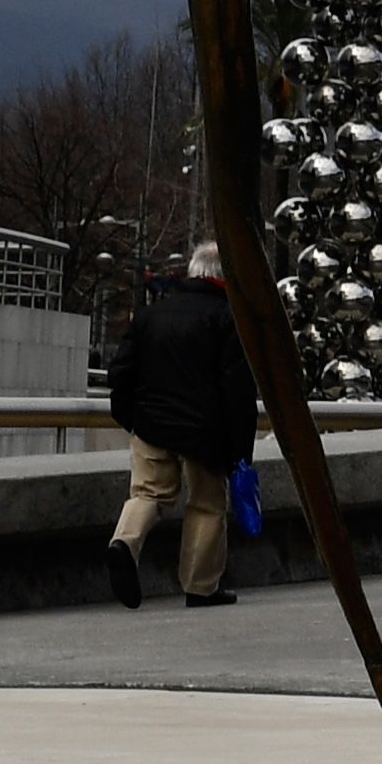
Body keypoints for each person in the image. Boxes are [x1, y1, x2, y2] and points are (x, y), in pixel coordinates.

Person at [101, 241, 254, 609]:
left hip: (150, 423)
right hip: (204, 432)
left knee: (148, 495)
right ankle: (200, 587)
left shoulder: (151, 314)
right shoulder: (228, 318)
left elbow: (120, 372)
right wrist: (240, 451)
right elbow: (237, 388)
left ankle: (124, 543)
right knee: (206, 504)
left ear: (192, 271)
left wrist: (130, 418)